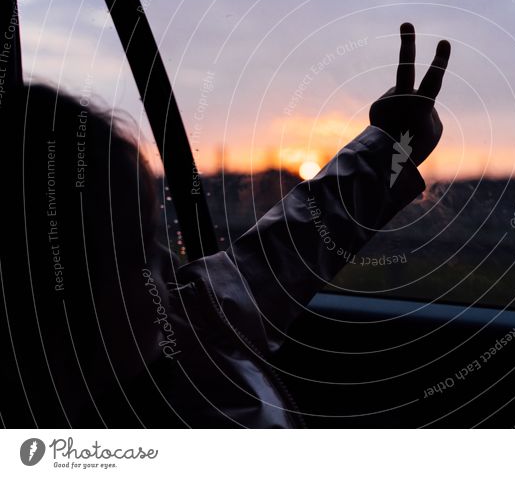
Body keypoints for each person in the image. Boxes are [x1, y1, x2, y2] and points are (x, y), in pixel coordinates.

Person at [0, 23, 450, 428]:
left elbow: (275, 257)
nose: (170, 268)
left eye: (155, 240)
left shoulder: (176, 323)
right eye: (134, 251)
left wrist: (390, 148)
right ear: (51, 298)